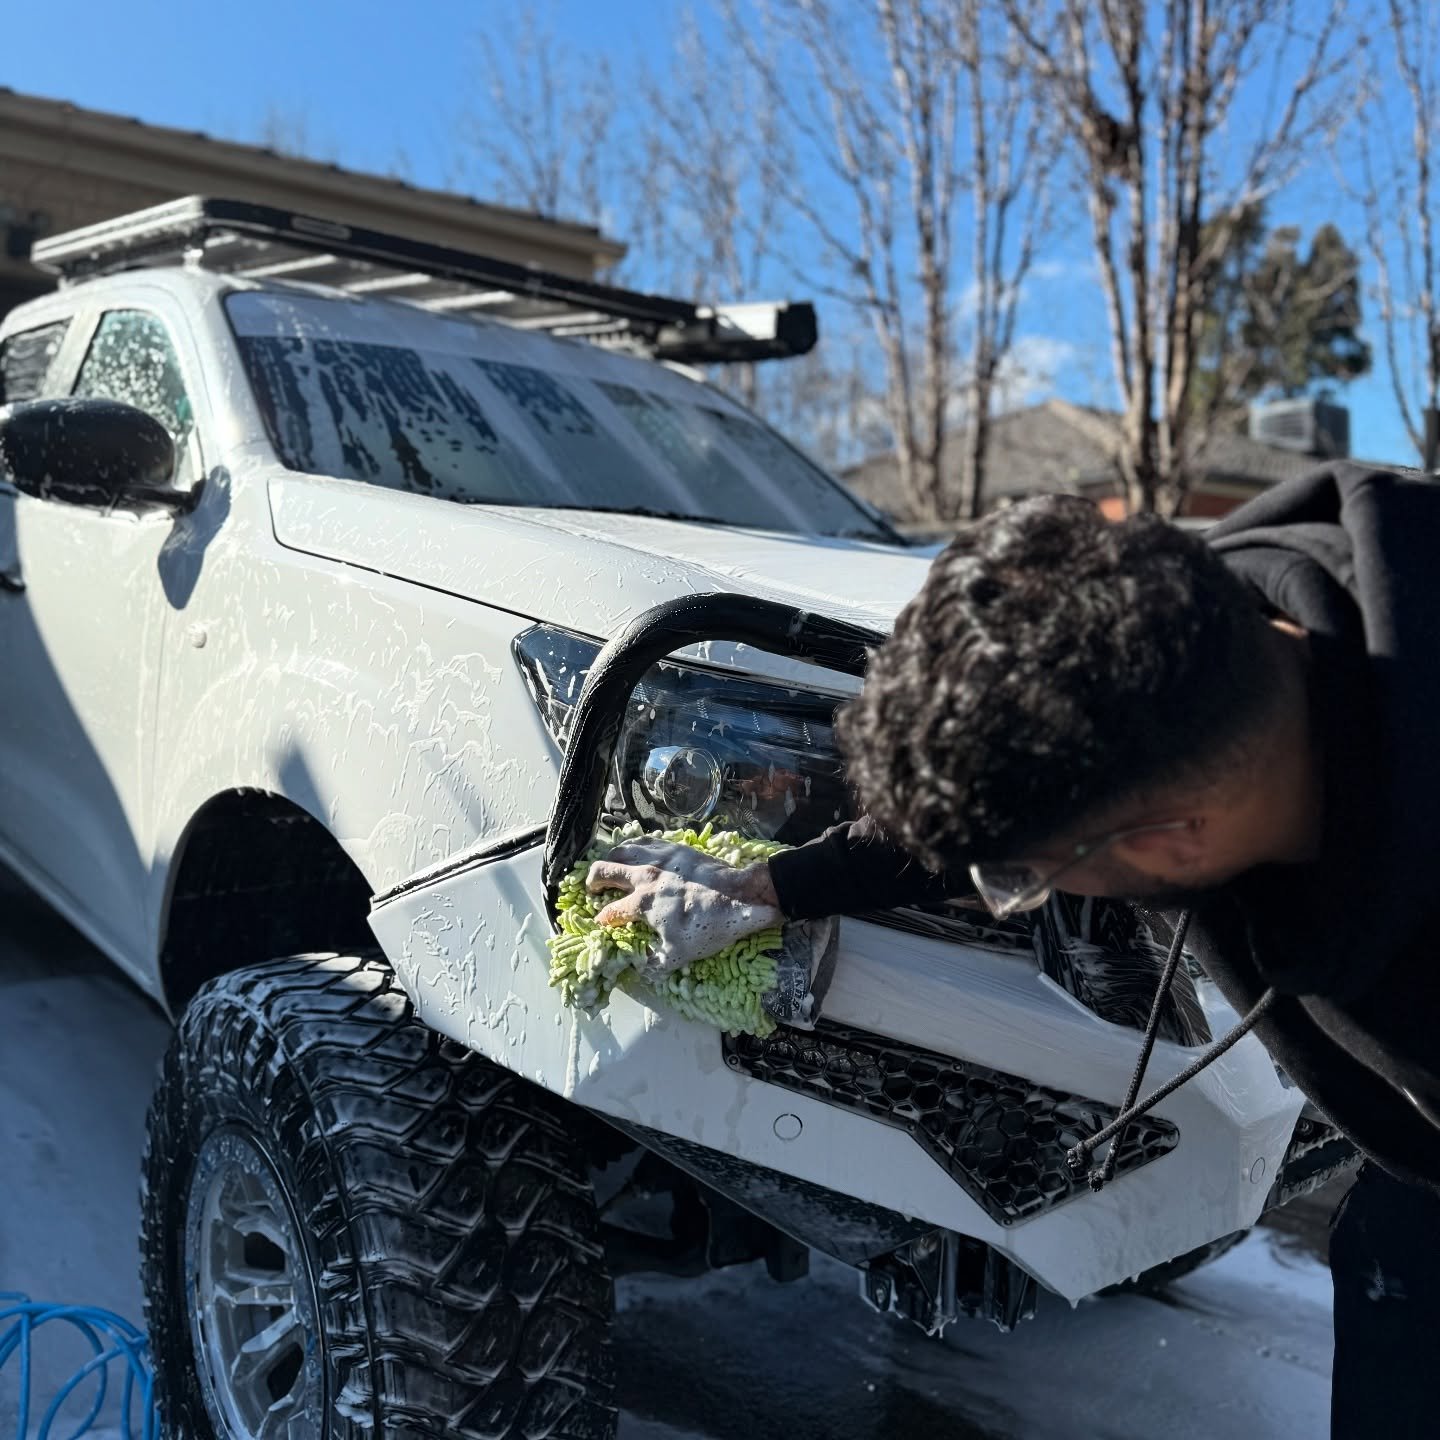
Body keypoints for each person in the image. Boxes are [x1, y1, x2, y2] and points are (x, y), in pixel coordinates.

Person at [585, 469, 1440, 1439]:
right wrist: (771, 886)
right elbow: (1037, 782)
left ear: (1174, 843)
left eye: (1020, 880)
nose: (1012, 889)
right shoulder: (1205, 622)